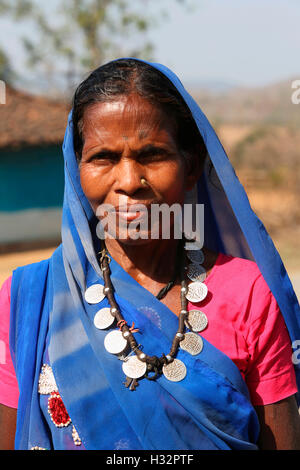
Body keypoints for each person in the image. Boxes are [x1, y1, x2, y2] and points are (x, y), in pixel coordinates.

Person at [1, 58, 300, 451]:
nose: (128, 182)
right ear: (77, 169)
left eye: (153, 155)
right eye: (103, 158)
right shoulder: (29, 299)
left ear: (190, 165)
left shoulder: (248, 296)